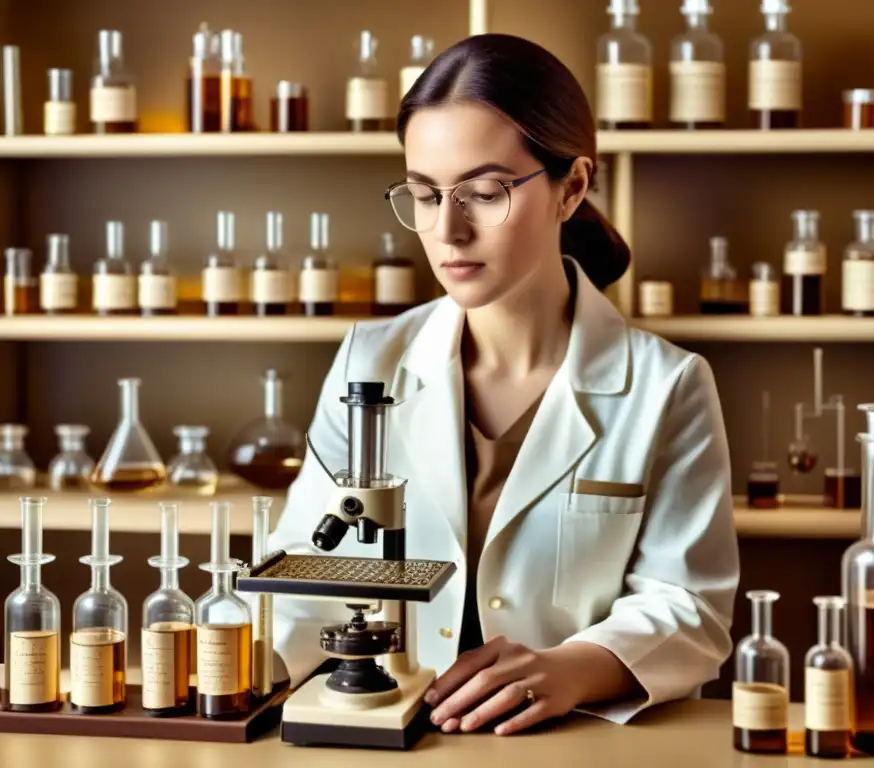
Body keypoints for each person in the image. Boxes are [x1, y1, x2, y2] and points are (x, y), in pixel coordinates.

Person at [268, 32, 740, 737]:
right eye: (425, 195)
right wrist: (241, 663)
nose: (448, 231)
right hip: (380, 735)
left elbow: (690, 605)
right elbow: (309, 570)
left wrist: (576, 665)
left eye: (484, 193)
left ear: (572, 187)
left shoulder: (666, 386)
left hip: (566, 741)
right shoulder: (369, 361)